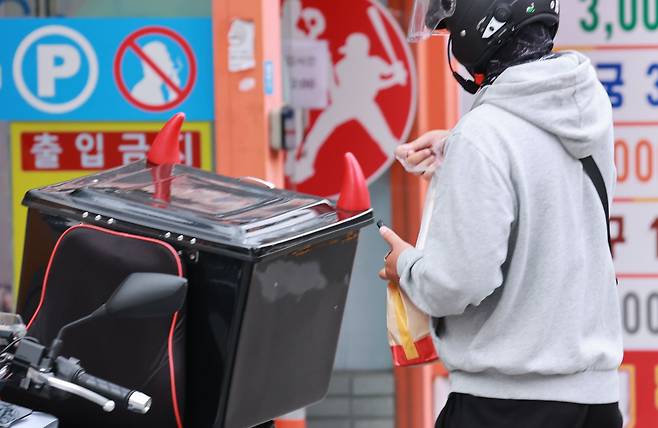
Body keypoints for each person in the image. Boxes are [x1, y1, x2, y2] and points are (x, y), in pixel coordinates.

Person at [378, 1, 624, 427]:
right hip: (596, 402)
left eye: (452, 28)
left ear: (482, 27)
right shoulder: (584, 107)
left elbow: (457, 283)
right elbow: (550, 189)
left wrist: (406, 265)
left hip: (508, 402)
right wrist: (456, 149)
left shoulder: (484, 136)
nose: (452, 41)